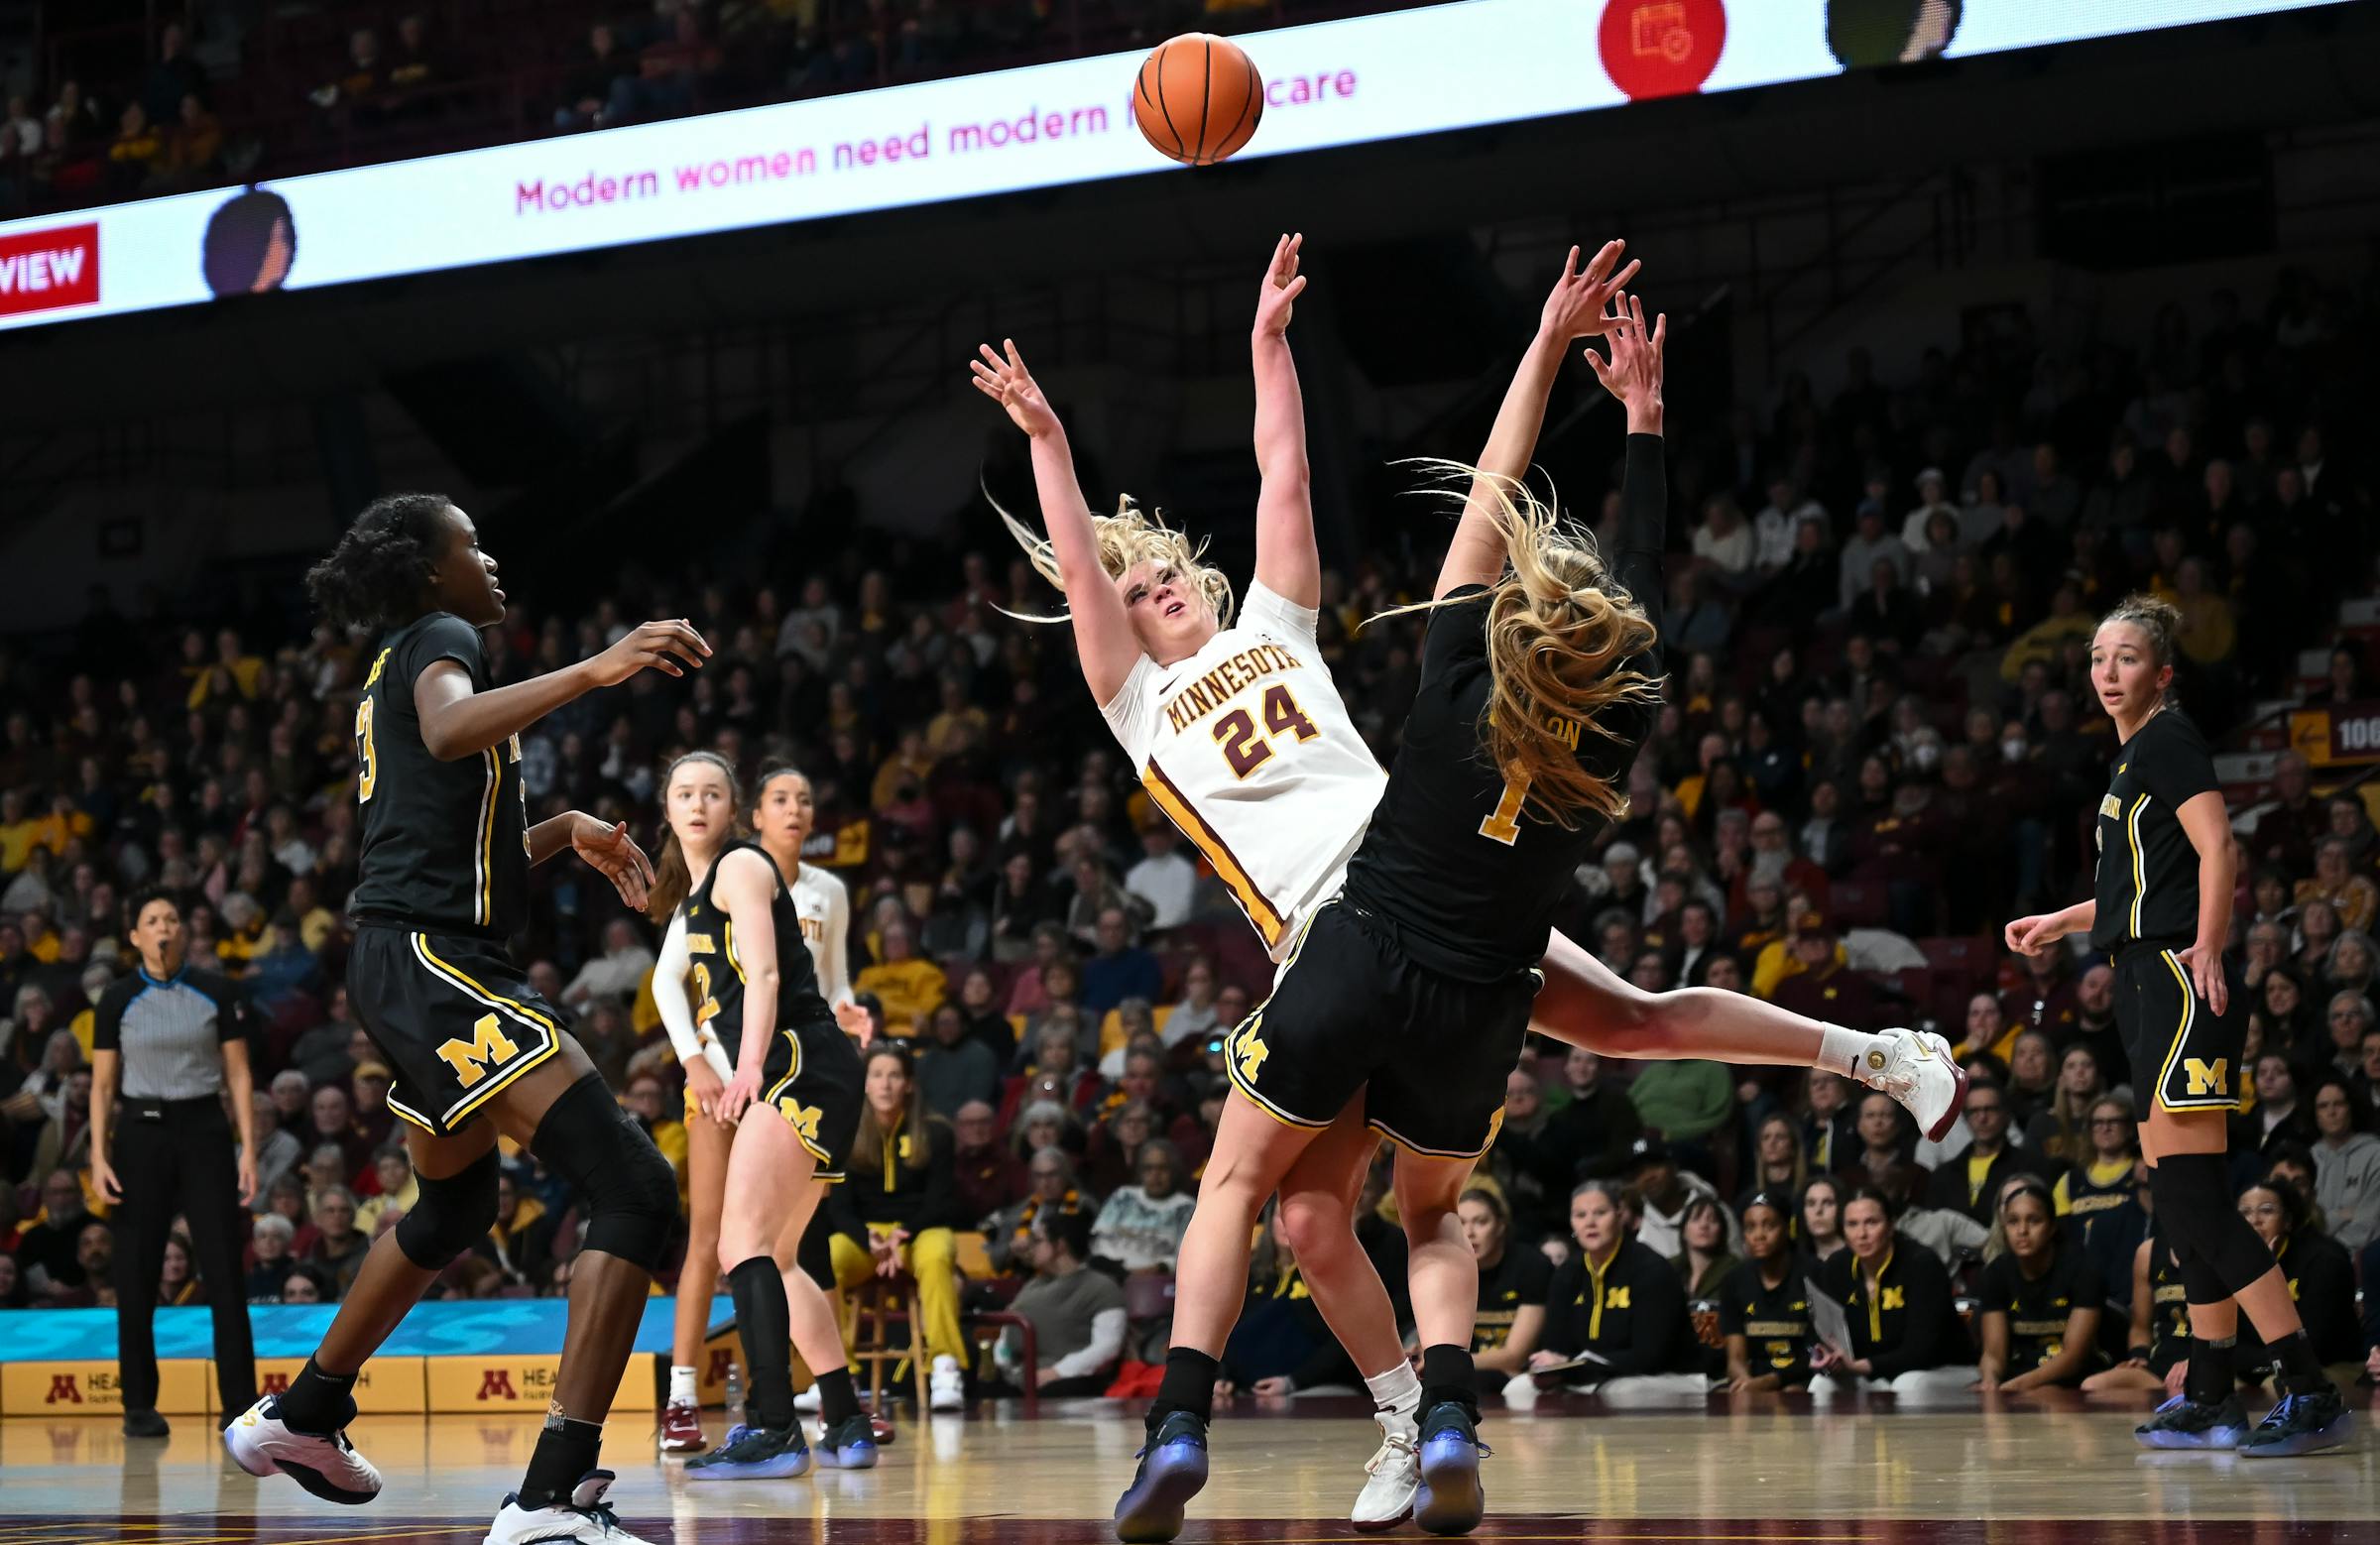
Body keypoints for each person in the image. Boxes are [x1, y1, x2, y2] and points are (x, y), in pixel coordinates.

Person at [976, 236, 1427, 1538]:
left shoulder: (1275, 627)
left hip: (1394, 895)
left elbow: (1286, 473)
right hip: (1317, 953)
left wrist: (1266, 348)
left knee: (1248, 1185)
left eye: (1158, 565)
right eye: (1126, 586)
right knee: (1306, 1218)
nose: (1148, 582)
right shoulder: (1137, 701)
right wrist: (1051, 442)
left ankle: (1179, 1422)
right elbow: (1076, 571)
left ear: (1197, 570)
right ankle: (1404, 1417)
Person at [225, 492, 703, 1545]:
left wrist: (562, 827)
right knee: (630, 1183)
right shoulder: (439, 644)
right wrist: (598, 667)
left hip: (401, 958)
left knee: (452, 1209)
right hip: (435, 964)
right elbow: (450, 730)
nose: (490, 560)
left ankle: (302, 1413)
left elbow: (439, 841)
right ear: (427, 570)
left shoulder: (393, 667)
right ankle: (549, 1498)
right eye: (470, 545)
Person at [2005, 593, 2351, 1455]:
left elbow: (2218, 848)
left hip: (2174, 982)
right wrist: (2062, 921)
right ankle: (2209, 1390)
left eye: (2124, 658)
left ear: (2162, 672)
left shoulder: (2168, 736)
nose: (2105, 672)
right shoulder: (2131, 762)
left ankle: (2306, 1385)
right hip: (2140, 977)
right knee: (2178, 1201)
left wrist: (2208, 946)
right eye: (2096, 658)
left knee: (2197, 1196)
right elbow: (2133, 895)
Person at [641, 753, 871, 1481]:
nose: (698, 803)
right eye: (684, 793)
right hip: (806, 1063)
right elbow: (668, 981)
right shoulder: (694, 893)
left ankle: (774, 1427)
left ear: (732, 808)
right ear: (668, 809)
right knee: (774, 1255)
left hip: (795, 1058)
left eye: (712, 792)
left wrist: (744, 1066)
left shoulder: (741, 866)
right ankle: (845, 1418)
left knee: (738, 1243)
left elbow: (767, 974)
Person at [87, 885, 260, 1436]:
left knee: (224, 1271)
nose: (163, 927)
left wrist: (248, 1148)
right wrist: (97, 1153)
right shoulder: (116, 998)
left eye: (171, 918)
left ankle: (238, 1404)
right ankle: (138, 1404)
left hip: (205, 1130)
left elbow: (238, 1075)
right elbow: (102, 1083)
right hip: (140, 1132)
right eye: (152, 920)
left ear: (182, 931)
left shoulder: (217, 990)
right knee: (136, 1270)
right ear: (135, 936)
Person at [823, 1041, 967, 1412]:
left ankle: (944, 1366)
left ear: (909, 1084)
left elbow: (941, 1202)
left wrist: (903, 1234)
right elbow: (839, 1207)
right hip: (866, 1235)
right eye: (877, 1076)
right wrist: (868, 1238)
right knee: (827, 1258)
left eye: (894, 1076)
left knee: (938, 1253)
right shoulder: (846, 1130)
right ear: (865, 1084)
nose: (885, 1085)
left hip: (919, 1230)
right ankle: (836, 1374)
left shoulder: (936, 1133)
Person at [1528, 1180, 1696, 1394]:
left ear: (1620, 1214)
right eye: (1580, 1215)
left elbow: (1650, 1355)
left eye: (1600, 1213)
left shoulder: (1652, 1269)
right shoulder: (1567, 1273)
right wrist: (1549, 1365)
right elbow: (1555, 1344)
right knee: (1520, 1388)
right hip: (1588, 1374)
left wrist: (1581, 1365)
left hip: (1664, 1375)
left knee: (1621, 1392)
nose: (1590, 1223)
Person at [1974, 1178, 2106, 1391]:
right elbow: (1993, 1353)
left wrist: (2015, 1387)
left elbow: (2073, 1358)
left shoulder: (2082, 1269)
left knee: (2046, 1393)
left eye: (2034, 1221)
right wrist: (1990, 1380)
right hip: (2016, 1378)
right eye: (2013, 1221)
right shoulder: (1996, 1273)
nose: (2022, 1230)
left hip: (2077, 1383)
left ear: (2052, 1226)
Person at [2230, 1178, 2361, 1379]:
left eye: (2266, 1210)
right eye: (2244, 1212)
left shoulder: (2324, 1261)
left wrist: (2267, 1274)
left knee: (2281, 1387)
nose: (2254, 1219)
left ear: (2288, 1221)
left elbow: (2315, 1347)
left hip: (2331, 1368)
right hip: (2264, 1367)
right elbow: (2227, 1344)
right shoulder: (2232, 1263)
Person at [999, 1205, 1128, 1395]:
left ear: (1060, 1245)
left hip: (1065, 1381)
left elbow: (1108, 1347)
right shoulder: (1032, 1284)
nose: (1030, 1246)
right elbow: (1007, 1331)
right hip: (1019, 1375)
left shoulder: (1101, 1287)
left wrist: (1056, 1372)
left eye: (1037, 1240)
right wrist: (1002, 1361)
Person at [1717, 1192, 1814, 1392]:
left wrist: (1771, 1381)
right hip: (1755, 1379)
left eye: (1769, 1226)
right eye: (1750, 1227)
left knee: (1792, 1394)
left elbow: (1818, 1354)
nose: (1759, 1235)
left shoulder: (1814, 1274)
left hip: (1805, 1378)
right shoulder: (1733, 1281)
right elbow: (1735, 1358)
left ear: (1787, 1228)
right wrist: (1745, 1382)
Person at [1458, 1189, 1548, 1381]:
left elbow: (1514, 1357)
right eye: (1461, 1223)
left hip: (1525, 1376)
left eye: (1481, 1222)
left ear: (1500, 1226)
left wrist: (1448, 1364)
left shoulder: (1531, 1265)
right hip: (1470, 1370)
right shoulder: (1448, 1271)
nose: (1469, 1233)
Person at [2307, 1073, 2380, 1252]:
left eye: (2338, 1104)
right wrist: (2341, 1215)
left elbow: (2369, 1221)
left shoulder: (2375, 1154)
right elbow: (2302, 1224)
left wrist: (2331, 1253)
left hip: (2359, 1259)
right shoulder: (2308, 1157)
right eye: (2323, 1106)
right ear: (2315, 1114)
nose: (2331, 1112)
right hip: (2312, 1256)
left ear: (2351, 1108)